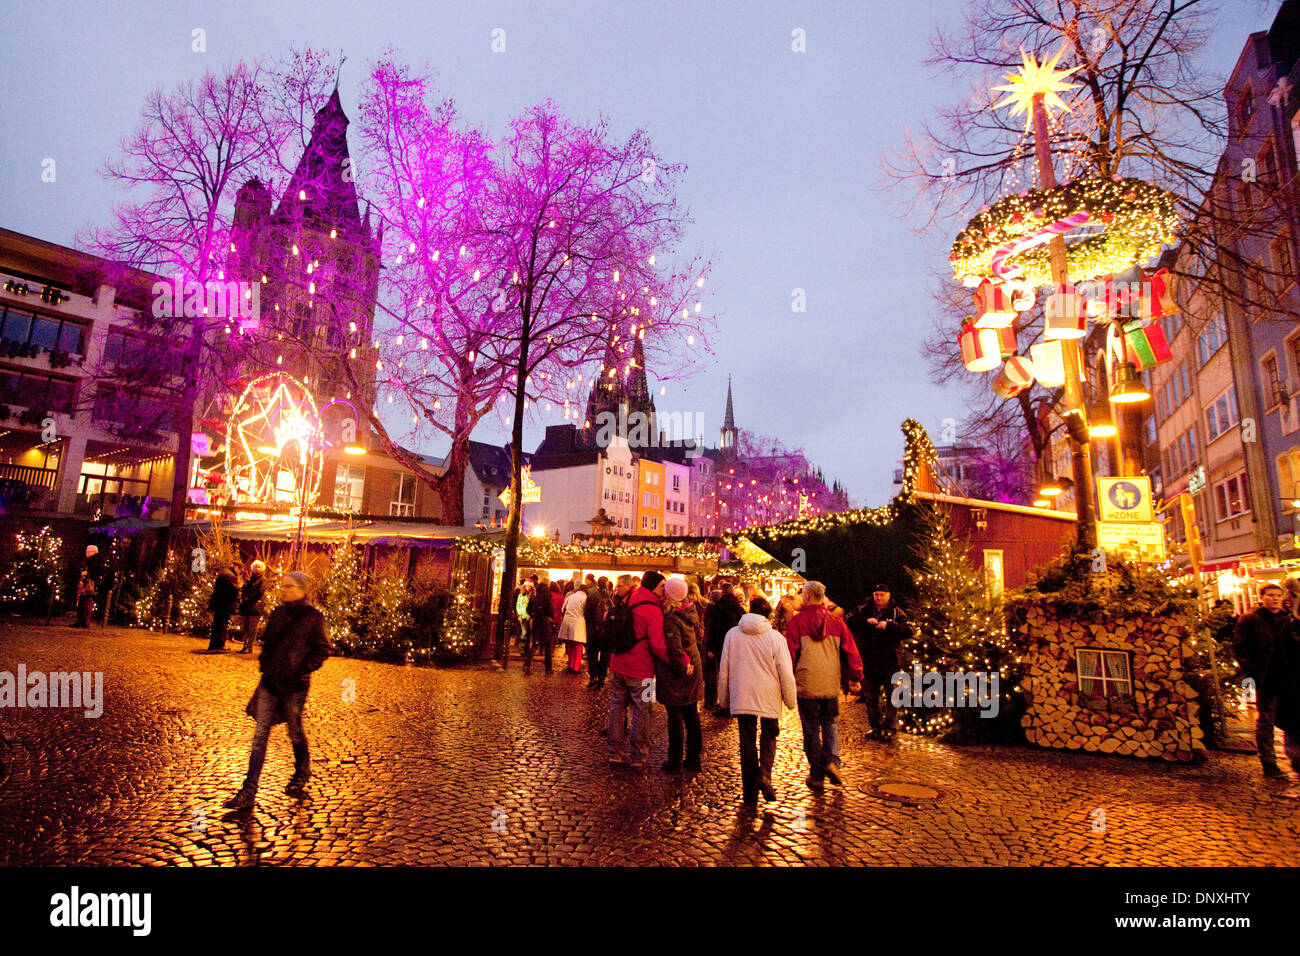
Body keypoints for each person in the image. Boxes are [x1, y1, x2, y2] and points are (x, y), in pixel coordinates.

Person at [224, 570, 330, 809]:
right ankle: (249, 790)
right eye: (283, 586)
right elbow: (269, 643)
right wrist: (266, 664)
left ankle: (302, 769)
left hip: (295, 685)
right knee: (260, 735)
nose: (284, 590)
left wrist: (303, 668)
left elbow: (322, 649)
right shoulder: (278, 614)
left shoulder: (314, 618)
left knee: (294, 729)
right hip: (270, 682)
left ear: (302, 590)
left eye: (290, 586)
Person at [784, 581, 863, 792]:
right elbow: (851, 651)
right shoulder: (837, 623)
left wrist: (786, 680)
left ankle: (817, 774)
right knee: (830, 723)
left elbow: (789, 655)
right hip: (830, 682)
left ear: (807, 597)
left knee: (811, 729)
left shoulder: (797, 622)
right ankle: (833, 762)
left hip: (806, 683)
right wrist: (856, 676)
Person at [718, 596, 797, 805]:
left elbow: (724, 669)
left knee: (747, 743)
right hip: (769, 695)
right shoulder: (776, 638)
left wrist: (723, 699)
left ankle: (749, 793)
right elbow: (785, 672)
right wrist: (790, 700)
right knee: (770, 734)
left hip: (742, 694)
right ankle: (764, 773)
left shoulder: (732, 635)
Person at [607, 570, 681, 772]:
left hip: (618, 664)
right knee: (643, 711)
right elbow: (658, 646)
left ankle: (615, 753)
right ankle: (639, 756)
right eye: (661, 586)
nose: (664, 590)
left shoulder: (629, 599)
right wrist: (676, 662)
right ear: (652, 587)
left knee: (617, 707)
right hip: (644, 671)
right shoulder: (653, 611)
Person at [1234, 583, 1290, 778]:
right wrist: (1253, 673)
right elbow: (1241, 649)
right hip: (1264, 677)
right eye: (1271, 595)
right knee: (1266, 719)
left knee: (1290, 718)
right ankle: (1269, 761)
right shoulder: (1250, 620)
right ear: (1262, 597)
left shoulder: (1288, 619)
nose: (1275, 598)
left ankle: (1291, 756)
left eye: (1278, 595)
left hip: (1288, 677)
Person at [848, 584, 912, 742]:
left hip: (890, 661)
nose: (878, 598)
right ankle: (876, 726)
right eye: (876, 594)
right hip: (869, 660)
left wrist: (888, 626)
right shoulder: (864, 609)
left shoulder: (896, 612)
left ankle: (890, 727)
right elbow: (850, 621)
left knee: (893, 696)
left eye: (881, 595)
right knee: (871, 697)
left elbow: (908, 630)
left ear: (888, 596)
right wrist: (865, 622)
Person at [657, 578, 703, 772]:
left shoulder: (672, 618)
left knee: (675, 716)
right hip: (694, 664)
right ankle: (693, 759)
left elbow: (675, 649)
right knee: (692, 714)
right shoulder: (690, 611)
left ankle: (675, 761)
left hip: (682, 671)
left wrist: (681, 668)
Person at [1270, 598, 1300, 780]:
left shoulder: (1288, 628)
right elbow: (1277, 663)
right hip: (1293, 693)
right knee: (1295, 745)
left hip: (1292, 693)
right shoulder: (1288, 629)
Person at [705, 580, 745, 714]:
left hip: (722, 645)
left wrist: (711, 647)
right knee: (735, 674)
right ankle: (734, 702)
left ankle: (725, 704)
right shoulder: (739, 608)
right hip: (737, 645)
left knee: (722, 674)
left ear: (722, 592)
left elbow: (714, 629)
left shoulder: (718, 608)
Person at [585, 576, 612, 688]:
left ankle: (593, 677)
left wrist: (590, 625)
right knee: (605, 655)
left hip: (594, 630)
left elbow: (586, 612)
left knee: (592, 654)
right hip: (606, 631)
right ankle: (601, 678)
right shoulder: (612, 596)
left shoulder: (592, 595)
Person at [207, 561, 241, 651]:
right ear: (236, 567)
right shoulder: (231, 576)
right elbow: (235, 589)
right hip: (225, 604)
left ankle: (213, 645)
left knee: (216, 624)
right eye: (239, 570)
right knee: (222, 625)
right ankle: (220, 645)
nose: (239, 572)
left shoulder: (224, 572)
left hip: (218, 604)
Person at [526, 577, 555, 676]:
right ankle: (548, 668)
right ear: (548, 585)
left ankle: (527, 664)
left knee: (534, 644)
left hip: (536, 621)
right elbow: (550, 608)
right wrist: (550, 617)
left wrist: (534, 614)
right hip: (545, 622)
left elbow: (528, 610)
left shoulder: (535, 595)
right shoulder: (548, 595)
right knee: (547, 645)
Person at [238, 560, 268, 653]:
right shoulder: (249, 579)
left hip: (255, 607)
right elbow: (244, 589)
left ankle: (249, 647)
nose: (256, 568)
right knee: (245, 627)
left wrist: (249, 597)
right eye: (255, 566)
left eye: (258, 567)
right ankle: (244, 646)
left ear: (262, 568)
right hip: (247, 607)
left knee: (252, 628)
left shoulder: (263, 580)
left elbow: (260, 592)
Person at [559, 583, 588, 673]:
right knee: (578, 646)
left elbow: (562, 609)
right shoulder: (585, 598)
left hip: (567, 621)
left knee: (570, 645)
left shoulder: (570, 597)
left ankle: (570, 665)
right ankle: (576, 667)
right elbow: (586, 611)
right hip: (578, 623)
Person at [73, 545, 102, 628]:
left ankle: (84, 621)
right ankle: (82, 621)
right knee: (83, 602)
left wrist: (86, 573)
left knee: (86, 602)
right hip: (86, 582)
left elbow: (93, 571)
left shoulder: (93, 560)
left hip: (88, 583)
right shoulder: (91, 560)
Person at [514, 578, 534, 670]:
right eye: (527, 586)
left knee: (527, 633)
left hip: (529, 617)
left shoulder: (532, 596)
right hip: (522, 616)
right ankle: (523, 648)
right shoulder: (521, 596)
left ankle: (525, 648)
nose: (528, 587)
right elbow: (518, 605)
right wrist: (519, 614)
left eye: (530, 586)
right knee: (524, 632)